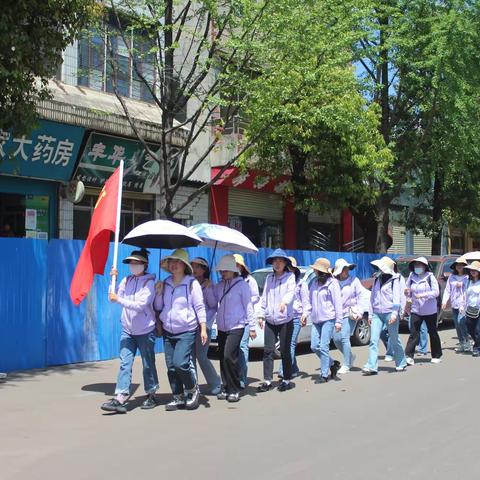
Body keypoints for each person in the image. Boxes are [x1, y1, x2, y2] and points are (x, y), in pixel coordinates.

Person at [101, 249, 159, 414]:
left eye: (137, 263)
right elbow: (113, 297)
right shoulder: (127, 280)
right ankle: (120, 397)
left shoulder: (149, 283)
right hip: (128, 329)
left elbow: (140, 305)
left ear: (144, 264)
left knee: (148, 363)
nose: (133, 266)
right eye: (131, 263)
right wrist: (113, 279)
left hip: (145, 330)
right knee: (125, 363)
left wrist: (118, 299)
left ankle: (151, 393)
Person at [154, 249, 208, 411]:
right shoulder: (166, 283)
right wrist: (158, 292)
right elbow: (158, 306)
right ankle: (177, 396)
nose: (173, 265)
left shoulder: (192, 283)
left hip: (187, 330)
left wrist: (203, 328)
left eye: (177, 262)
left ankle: (192, 389)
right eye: (171, 262)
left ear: (184, 266)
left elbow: (199, 307)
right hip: (168, 331)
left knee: (180, 363)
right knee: (171, 366)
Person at [206, 255, 256, 402]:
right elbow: (212, 302)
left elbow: (248, 306)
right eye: (221, 270)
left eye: (226, 270)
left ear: (234, 270)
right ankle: (226, 387)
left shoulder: (242, 285)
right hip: (222, 326)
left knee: (229, 356)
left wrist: (252, 327)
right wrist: (209, 289)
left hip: (237, 326)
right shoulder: (219, 285)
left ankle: (234, 388)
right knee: (222, 358)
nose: (223, 273)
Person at [257, 249, 296, 392]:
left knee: (285, 351)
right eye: (275, 261)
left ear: (285, 263)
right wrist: (261, 315)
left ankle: (286, 379)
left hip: (285, 320)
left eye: (280, 261)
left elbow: (291, 292)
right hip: (270, 320)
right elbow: (264, 298)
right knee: (268, 350)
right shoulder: (269, 278)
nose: (277, 264)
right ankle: (267, 380)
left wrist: (284, 302)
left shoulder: (290, 277)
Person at [363, 256, 407, 375]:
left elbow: (397, 297)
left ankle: (401, 362)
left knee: (394, 338)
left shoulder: (395, 279)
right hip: (377, 313)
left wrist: (395, 314)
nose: (379, 269)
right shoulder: (377, 279)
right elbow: (373, 298)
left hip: (390, 313)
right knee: (373, 340)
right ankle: (372, 366)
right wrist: (371, 315)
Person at [302, 258, 342, 383]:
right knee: (314, 346)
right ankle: (332, 363)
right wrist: (305, 314)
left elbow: (337, 303)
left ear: (321, 271)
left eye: (316, 268)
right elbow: (309, 301)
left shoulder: (332, 283)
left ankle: (324, 375)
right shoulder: (314, 283)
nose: (314, 270)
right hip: (316, 320)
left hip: (328, 319)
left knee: (324, 347)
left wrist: (339, 321)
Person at [190, 257, 221, 395]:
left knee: (201, 356)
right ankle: (192, 386)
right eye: (193, 266)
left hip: (204, 326)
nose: (194, 269)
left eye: (198, 267)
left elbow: (213, 306)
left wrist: (208, 290)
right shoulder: (188, 283)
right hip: (189, 325)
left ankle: (215, 382)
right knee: (189, 357)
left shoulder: (209, 286)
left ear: (204, 270)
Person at [404, 257, 442, 365]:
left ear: (425, 267)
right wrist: (407, 293)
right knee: (414, 332)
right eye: (416, 265)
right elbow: (408, 291)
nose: (418, 267)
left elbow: (436, 292)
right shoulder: (411, 277)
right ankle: (409, 355)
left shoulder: (430, 277)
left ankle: (436, 355)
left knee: (432, 332)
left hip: (430, 310)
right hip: (416, 310)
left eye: (420, 265)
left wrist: (424, 295)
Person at [278, 257, 308, 379]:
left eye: (291, 267)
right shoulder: (281, 282)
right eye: (287, 267)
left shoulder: (301, 284)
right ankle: (294, 368)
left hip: (296, 317)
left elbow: (306, 301)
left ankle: (283, 370)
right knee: (286, 344)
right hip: (284, 317)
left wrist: (305, 315)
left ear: (295, 269)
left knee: (289, 343)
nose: (288, 270)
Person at [332, 258, 363, 374]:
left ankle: (346, 364)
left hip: (350, 313)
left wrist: (360, 311)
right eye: (344, 269)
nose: (347, 271)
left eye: (347, 269)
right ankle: (349, 356)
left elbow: (361, 296)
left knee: (344, 337)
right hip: (336, 315)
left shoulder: (354, 280)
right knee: (336, 339)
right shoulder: (333, 281)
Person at [235, 254, 260, 389]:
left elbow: (255, 297)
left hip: (245, 318)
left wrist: (246, 300)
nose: (235, 267)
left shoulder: (250, 281)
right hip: (232, 321)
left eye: (237, 265)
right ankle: (232, 377)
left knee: (242, 347)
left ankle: (242, 378)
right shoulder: (229, 280)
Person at [442, 256, 469, 353]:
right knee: (457, 324)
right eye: (458, 265)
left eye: (461, 265)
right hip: (454, 304)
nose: (459, 267)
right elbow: (447, 290)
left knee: (461, 321)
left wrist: (462, 284)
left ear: (465, 266)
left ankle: (467, 340)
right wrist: (444, 301)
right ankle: (462, 343)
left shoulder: (468, 277)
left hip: (464, 304)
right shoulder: (451, 277)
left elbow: (470, 288)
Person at [463, 261, 480, 357]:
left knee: (478, 330)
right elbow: (465, 295)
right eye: (471, 270)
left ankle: (476, 348)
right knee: (470, 328)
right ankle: (478, 343)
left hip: (479, 309)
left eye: (475, 270)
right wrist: (462, 306)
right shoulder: (468, 281)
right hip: (469, 308)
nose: (473, 272)